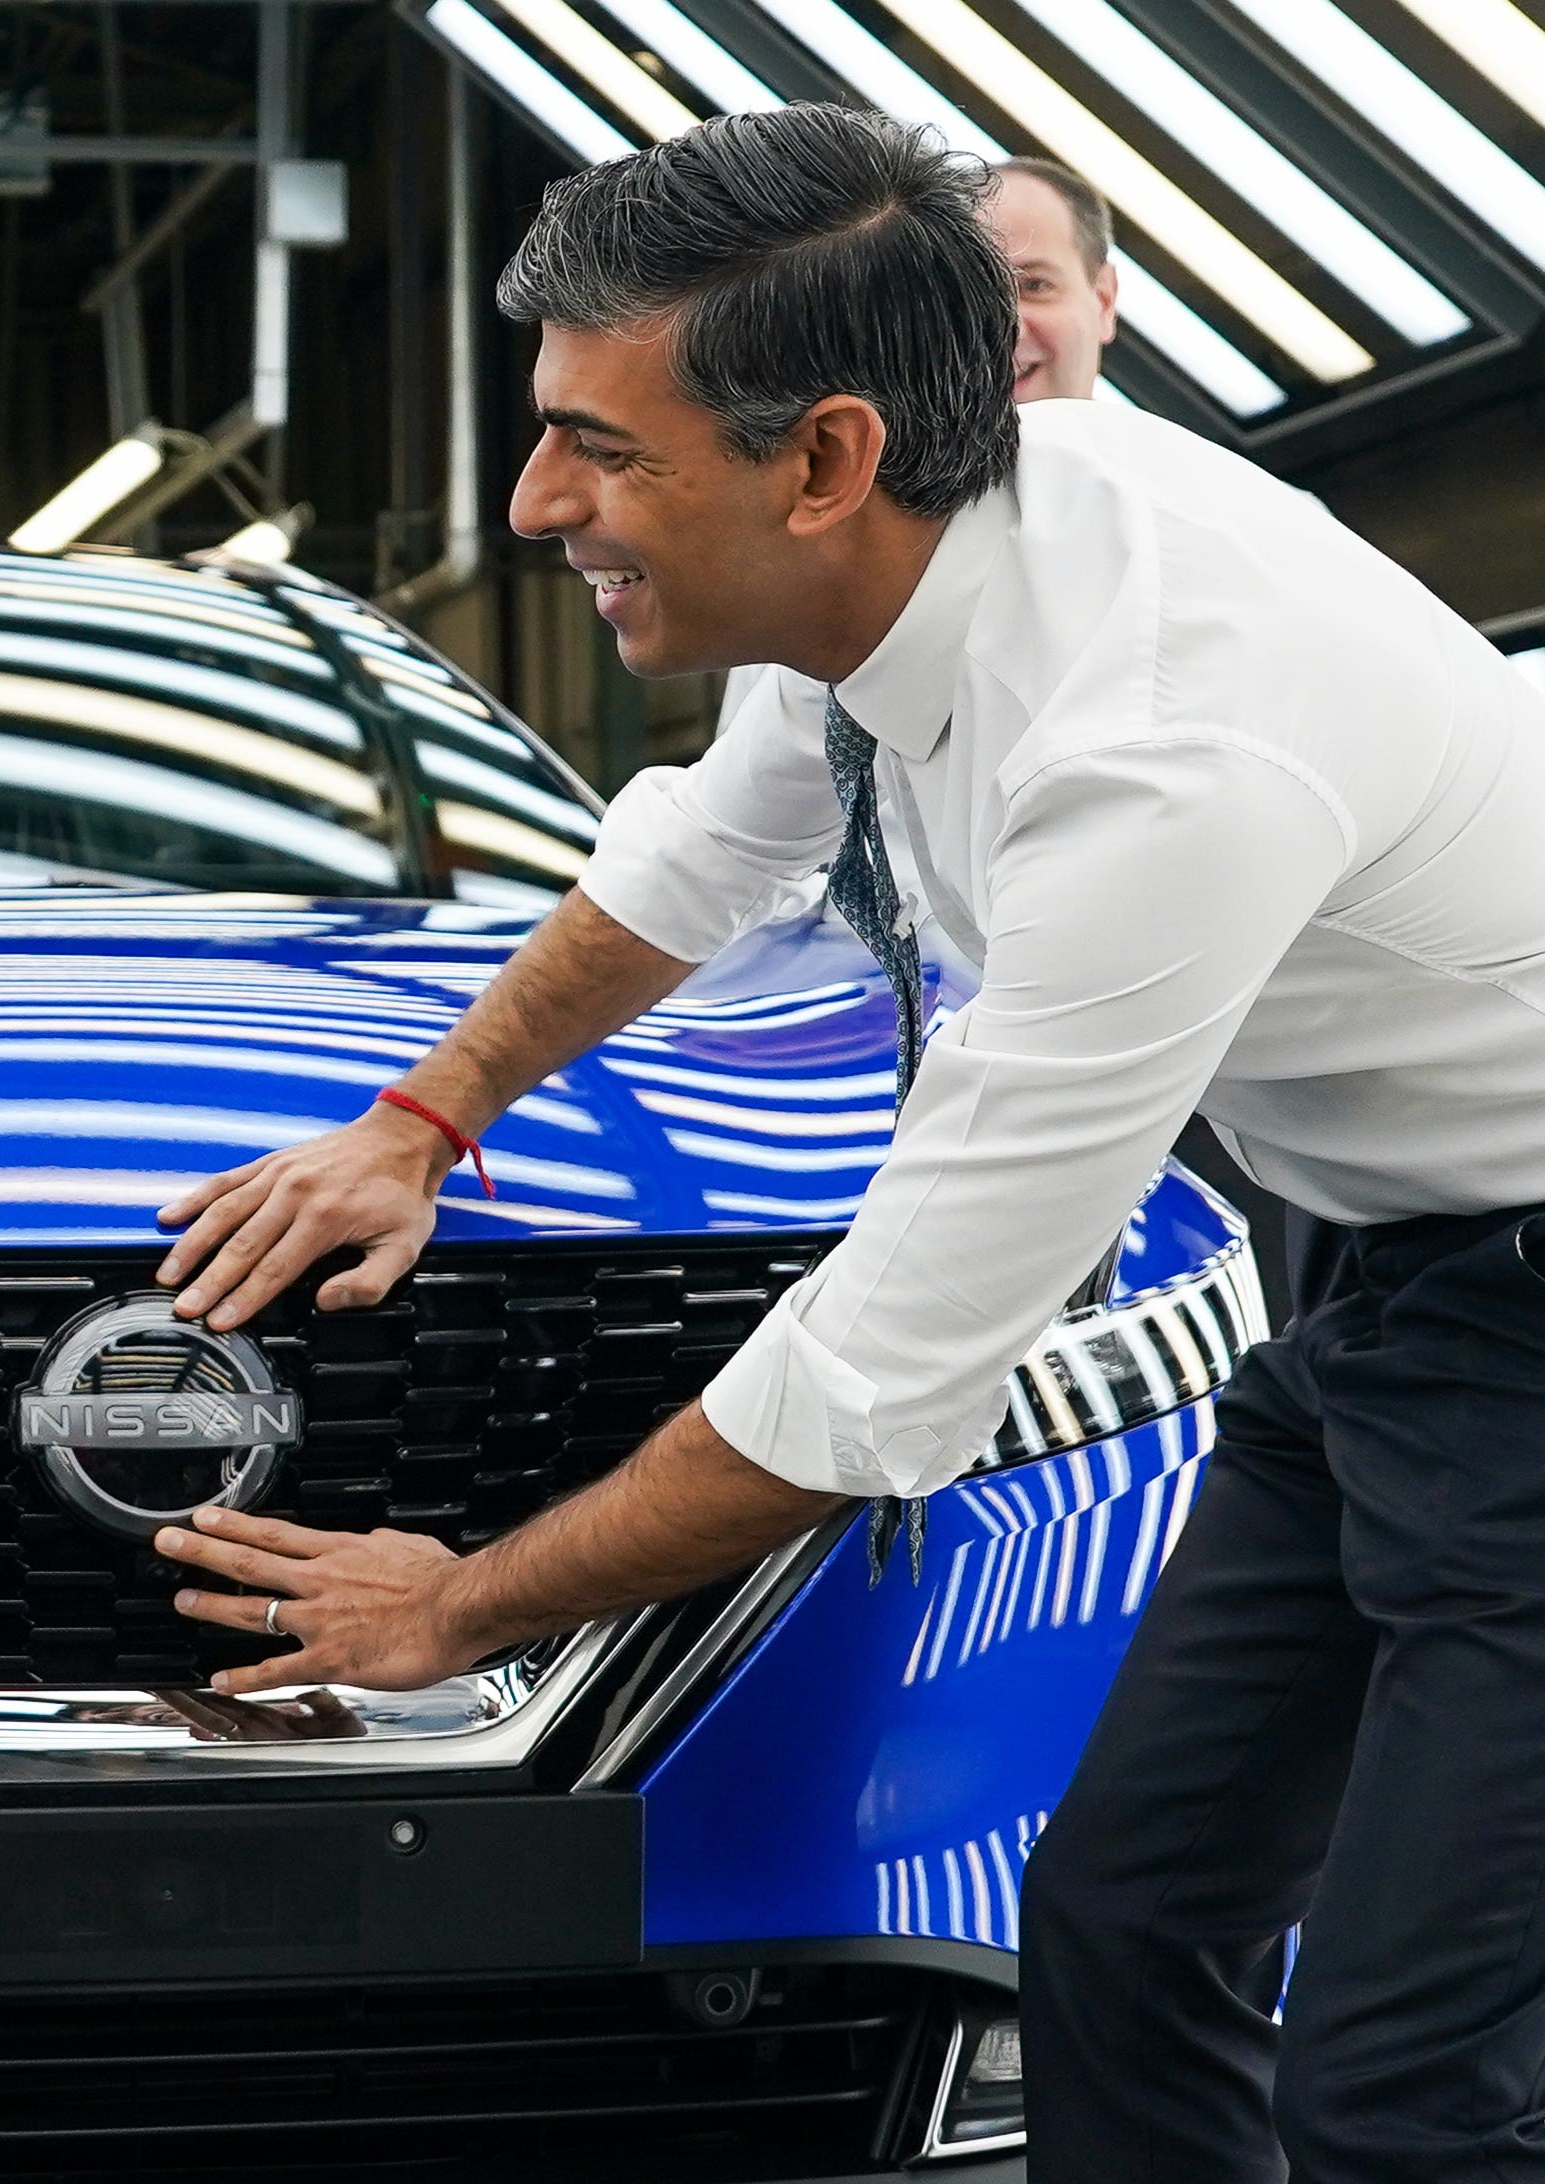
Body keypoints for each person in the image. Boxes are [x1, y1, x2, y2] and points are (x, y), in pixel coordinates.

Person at [149, 104, 1545, 2183]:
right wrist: (420, 1122)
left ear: (821, 461)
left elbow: (880, 1376)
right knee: (1121, 1930)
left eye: (600, 453)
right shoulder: (904, 569)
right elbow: (708, 852)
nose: (541, 506)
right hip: (1385, 1293)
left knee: (1402, 2092)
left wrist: (465, 1609)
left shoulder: (1159, 748)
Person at [986, 156, 1118, 404]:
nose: (1003, 329)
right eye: (969, 296)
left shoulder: (1171, 444)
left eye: (1034, 286)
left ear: (1104, 301)